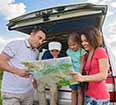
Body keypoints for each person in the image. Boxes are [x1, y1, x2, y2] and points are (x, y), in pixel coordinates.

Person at [0, 27, 46, 105]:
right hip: (12, 93)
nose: (41, 42)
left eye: (42, 40)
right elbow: (1, 62)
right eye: (39, 38)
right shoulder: (15, 44)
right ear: (32, 34)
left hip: (28, 92)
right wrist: (18, 71)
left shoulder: (36, 52)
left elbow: (32, 68)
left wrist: (35, 79)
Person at [71, 26, 110, 105]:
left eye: (86, 41)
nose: (83, 44)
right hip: (88, 94)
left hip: (99, 98)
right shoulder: (87, 54)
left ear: (93, 38)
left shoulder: (100, 51)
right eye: (82, 41)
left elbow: (103, 75)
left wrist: (83, 78)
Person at [66, 32, 86, 105]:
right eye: (70, 45)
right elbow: (68, 63)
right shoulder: (68, 51)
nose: (72, 47)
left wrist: (79, 75)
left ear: (79, 43)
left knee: (80, 91)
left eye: (74, 45)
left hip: (79, 74)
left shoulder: (81, 51)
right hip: (72, 75)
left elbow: (82, 64)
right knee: (73, 91)